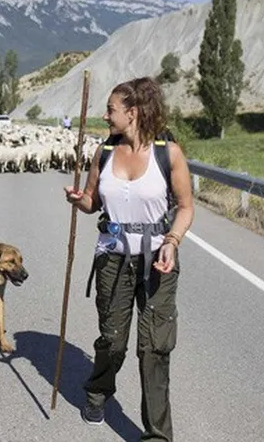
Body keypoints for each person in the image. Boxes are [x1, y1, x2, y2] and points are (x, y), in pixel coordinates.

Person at [63, 77, 193, 441]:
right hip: (112, 258)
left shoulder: (169, 153)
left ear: (132, 112)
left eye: (111, 109)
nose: (105, 116)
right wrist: (79, 201)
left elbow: (185, 208)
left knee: (154, 347)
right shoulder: (104, 151)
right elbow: (91, 202)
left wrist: (173, 240)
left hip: (157, 261)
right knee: (113, 337)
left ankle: (157, 434)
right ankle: (98, 390)